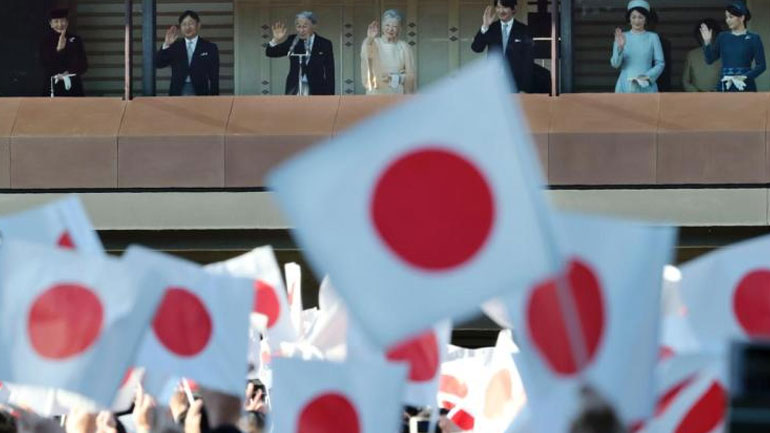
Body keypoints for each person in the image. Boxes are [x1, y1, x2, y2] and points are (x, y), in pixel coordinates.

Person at [471, 0, 534, 93]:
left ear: (513, 9)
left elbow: (528, 61)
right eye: (498, 7)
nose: (501, 11)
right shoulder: (491, 28)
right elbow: (476, 48)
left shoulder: (523, 30)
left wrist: (524, 88)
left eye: (505, 7)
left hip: (515, 84)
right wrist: (485, 26)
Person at [266, 11, 335, 95]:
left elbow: (329, 70)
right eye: (298, 26)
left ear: (314, 25)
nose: (301, 30)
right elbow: (270, 52)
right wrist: (275, 39)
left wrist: (331, 94)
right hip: (294, 87)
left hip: (318, 88)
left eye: (305, 26)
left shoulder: (325, 43)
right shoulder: (292, 40)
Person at [702, 2, 766, 92]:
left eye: (731, 17)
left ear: (742, 18)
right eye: (726, 17)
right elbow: (709, 60)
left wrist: (744, 77)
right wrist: (707, 42)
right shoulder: (722, 37)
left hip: (745, 85)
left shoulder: (754, 38)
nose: (727, 20)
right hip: (725, 85)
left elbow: (761, 66)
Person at [156, 10, 220, 96]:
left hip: (200, 91)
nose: (187, 27)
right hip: (178, 90)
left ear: (198, 25)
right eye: (184, 24)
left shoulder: (210, 47)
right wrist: (166, 44)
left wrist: (214, 97)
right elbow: (158, 64)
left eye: (191, 24)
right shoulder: (175, 46)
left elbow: (214, 75)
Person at [610, 0, 664, 93]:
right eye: (633, 17)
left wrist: (647, 76)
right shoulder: (621, 37)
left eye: (640, 17)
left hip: (646, 86)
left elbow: (660, 63)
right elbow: (615, 64)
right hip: (625, 85)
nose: (637, 21)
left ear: (646, 19)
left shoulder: (653, 37)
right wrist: (620, 48)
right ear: (629, 19)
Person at [361, 10, 416, 95]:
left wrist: (396, 78)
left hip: (397, 94)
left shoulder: (404, 47)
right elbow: (366, 57)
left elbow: (411, 76)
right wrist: (370, 38)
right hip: (376, 93)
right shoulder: (374, 43)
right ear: (382, 27)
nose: (390, 29)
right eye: (387, 25)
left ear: (399, 29)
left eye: (394, 26)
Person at [39, 8, 88, 97]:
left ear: (67, 22)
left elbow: (83, 65)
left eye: (62, 21)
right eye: (56, 21)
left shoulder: (76, 40)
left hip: (73, 85)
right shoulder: (45, 41)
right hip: (53, 84)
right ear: (51, 24)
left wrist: (68, 72)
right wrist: (58, 49)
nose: (60, 24)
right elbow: (44, 64)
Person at [683, 19, 722, 92]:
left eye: (710, 33)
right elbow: (685, 81)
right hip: (696, 99)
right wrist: (697, 93)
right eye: (702, 33)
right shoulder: (692, 55)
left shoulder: (723, 54)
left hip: (719, 98)